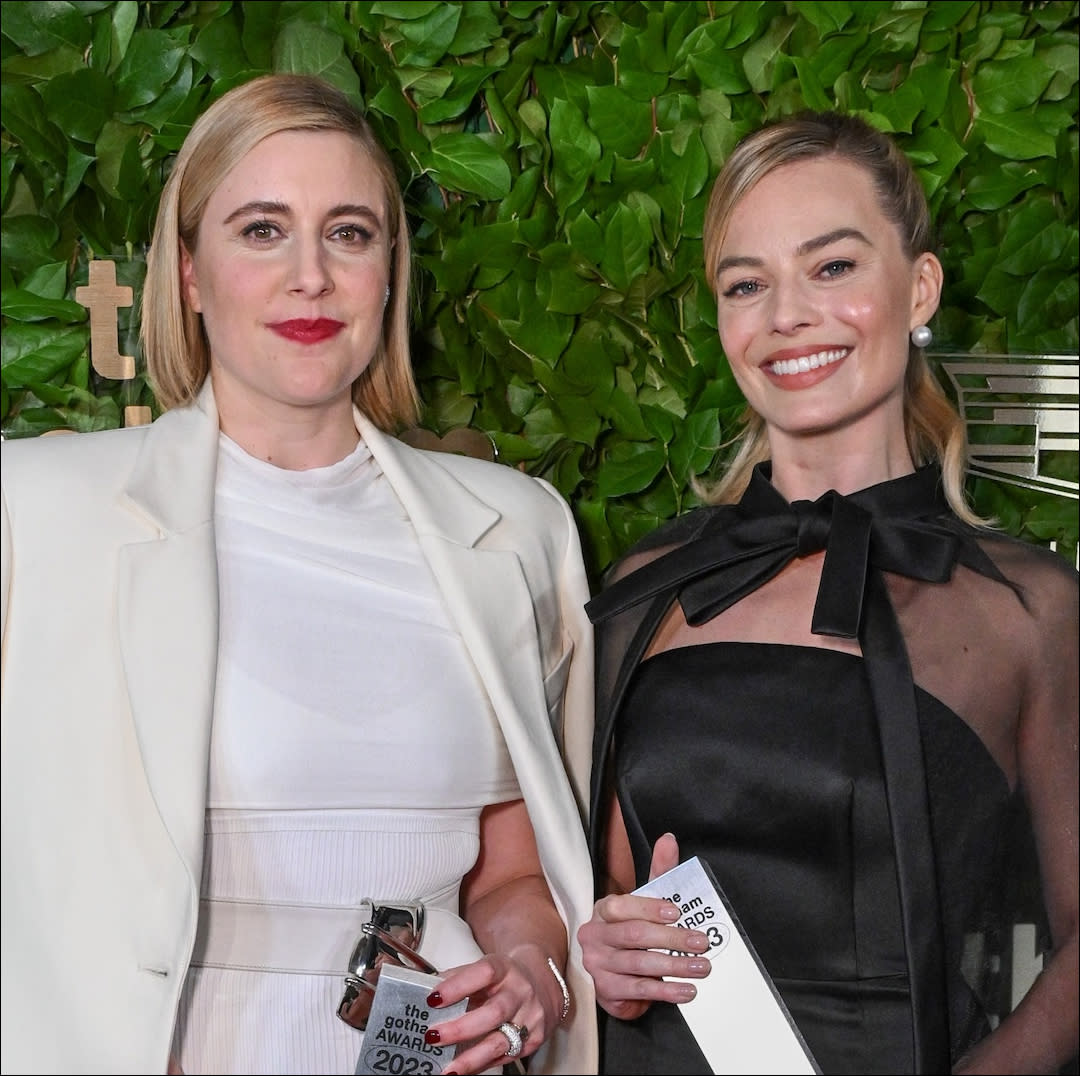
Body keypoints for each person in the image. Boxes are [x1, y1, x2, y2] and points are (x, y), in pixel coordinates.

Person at [0, 73, 599, 1076]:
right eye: (263, 230)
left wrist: (532, 968)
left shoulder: (515, 533)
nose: (311, 275)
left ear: (390, 271)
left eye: (350, 232)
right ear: (189, 270)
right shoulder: (41, 513)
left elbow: (512, 867)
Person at [577, 110, 1078, 1074]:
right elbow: (586, 886)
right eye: (745, 284)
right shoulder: (645, 588)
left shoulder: (1027, 611)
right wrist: (594, 950)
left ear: (919, 284)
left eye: (834, 267)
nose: (787, 315)